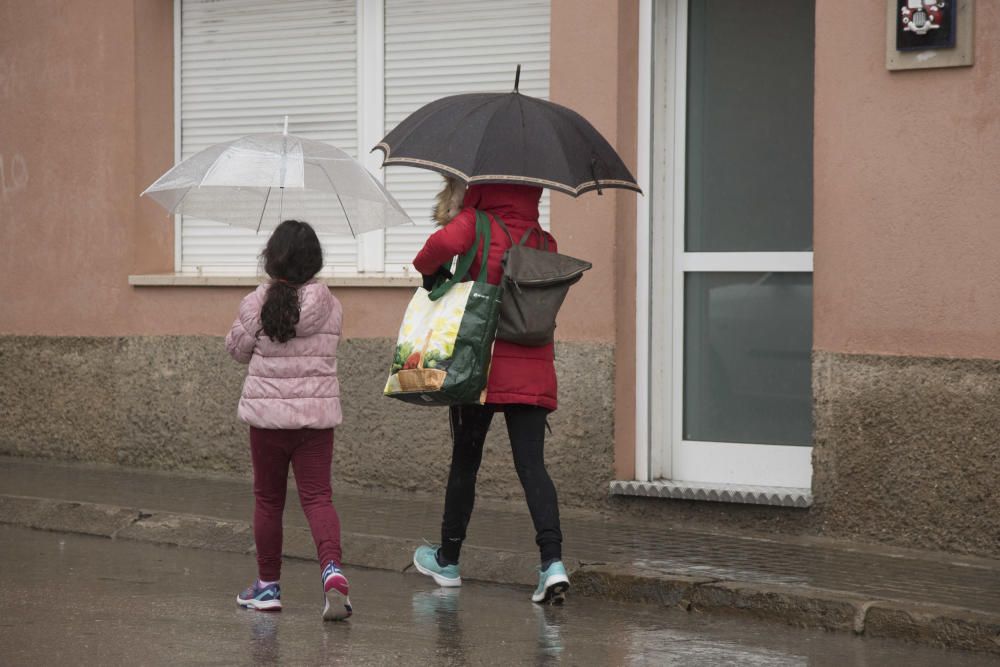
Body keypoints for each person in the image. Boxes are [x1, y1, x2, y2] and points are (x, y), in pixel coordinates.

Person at [410, 180, 571, 605]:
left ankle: (448, 560)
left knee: (466, 460)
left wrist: (434, 274)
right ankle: (552, 564)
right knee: (532, 466)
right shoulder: (543, 240)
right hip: (532, 369)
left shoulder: (474, 223)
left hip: (477, 366)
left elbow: (428, 254)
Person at [224, 219, 351, 621]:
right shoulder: (331, 306)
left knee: (268, 500)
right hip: (315, 421)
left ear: (271, 258)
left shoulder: (255, 304)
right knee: (318, 498)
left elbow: (236, 351)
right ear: (314, 261)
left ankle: (267, 587)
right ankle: (331, 571)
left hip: (267, 422)